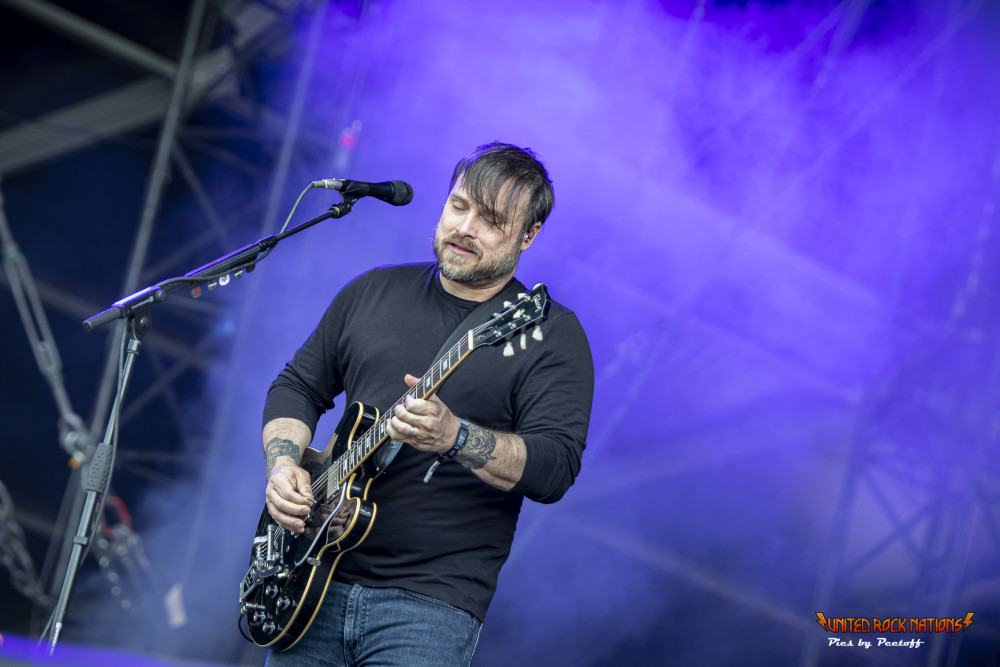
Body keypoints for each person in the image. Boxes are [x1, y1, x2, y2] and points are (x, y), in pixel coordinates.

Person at [261, 142, 594, 666]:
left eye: (491, 221)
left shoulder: (550, 333)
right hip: (310, 577)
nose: (465, 228)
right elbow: (298, 386)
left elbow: (555, 468)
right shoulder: (373, 291)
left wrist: (455, 436)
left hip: (430, 605)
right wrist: (284, 467)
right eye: (458, 206)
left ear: (528, 236)